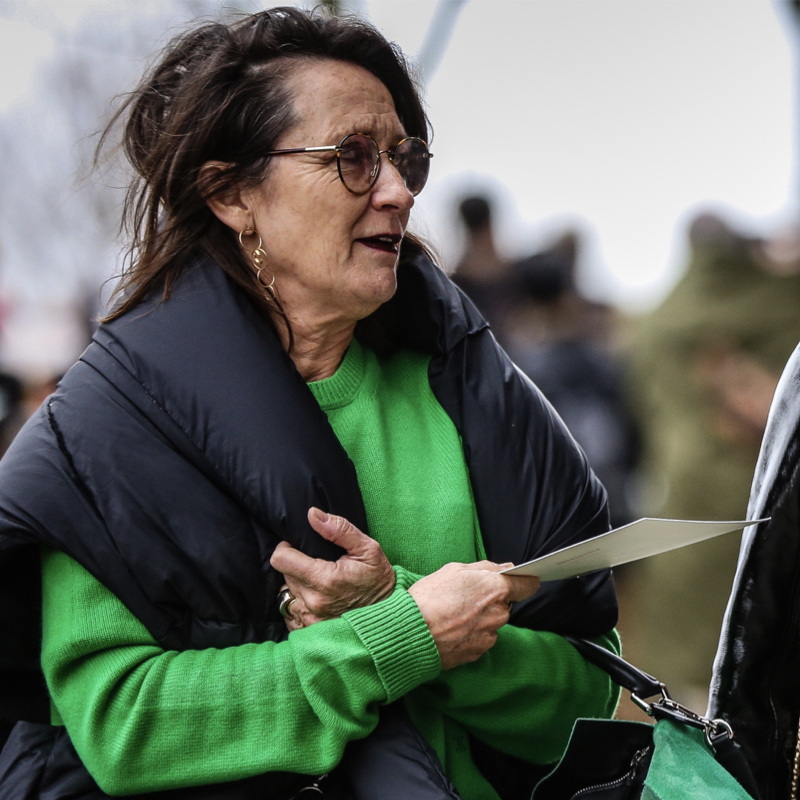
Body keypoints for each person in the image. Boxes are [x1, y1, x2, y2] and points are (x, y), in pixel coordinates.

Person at [0, 8, 620, 800]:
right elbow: (124, 726)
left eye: (406, 159)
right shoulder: (112, 429)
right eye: (353, 157)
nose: (397, 192)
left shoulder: (473, 390)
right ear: (231, 194)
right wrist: (398, 639)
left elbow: (589, 697)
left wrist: (419, 625)